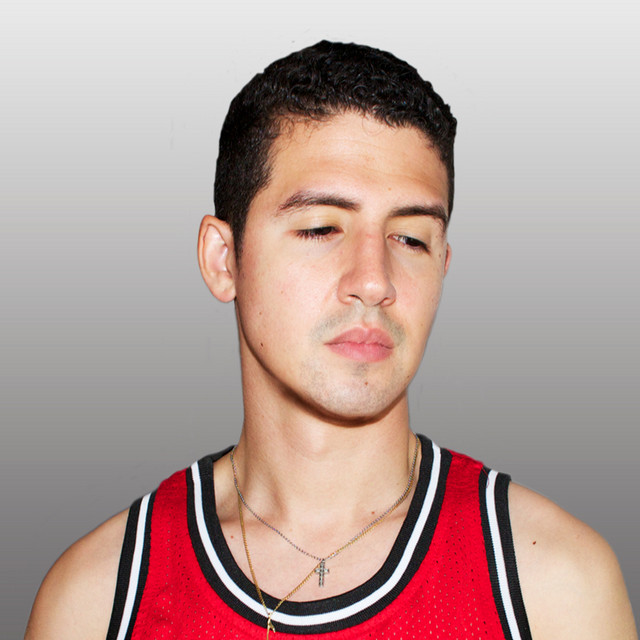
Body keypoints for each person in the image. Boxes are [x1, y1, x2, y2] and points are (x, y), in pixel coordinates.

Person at [25, 40, 636, 640]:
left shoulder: (553, 586)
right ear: (223, 259)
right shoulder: (99, 601)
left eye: (411, 239)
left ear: (444, 265)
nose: (374, 281)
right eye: (321, 228)